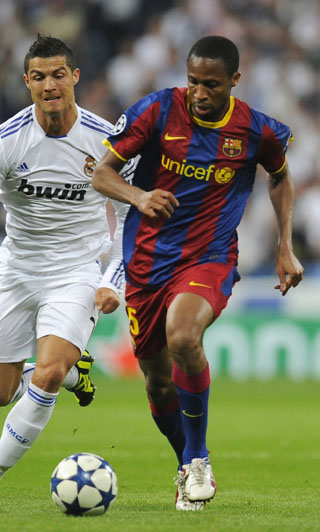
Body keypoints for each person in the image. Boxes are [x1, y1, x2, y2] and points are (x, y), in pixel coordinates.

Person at [93, 35, 304, 511]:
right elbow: (102, 173)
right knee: (156, 379)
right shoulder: (157, 111)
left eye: (211, 84)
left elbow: (279, 175)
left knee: (185, 337)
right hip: (146, 262)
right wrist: (139, 197)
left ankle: (199, 457)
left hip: (209, 255)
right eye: (193, 82)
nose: (199, 92)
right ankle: (187, 462)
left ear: (235, 80)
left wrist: (284, 246)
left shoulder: (256, 130)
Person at [0, 35, 134, 506]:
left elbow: (132, 214)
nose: (50, 85)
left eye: (58, 74)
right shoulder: (5, 141)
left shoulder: (106, 138)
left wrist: (114, 278)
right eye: (39, 76)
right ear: (27, 82)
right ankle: (75, 372)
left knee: (45, 375)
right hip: (18, 269)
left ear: (74, 77)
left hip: (77, 270)